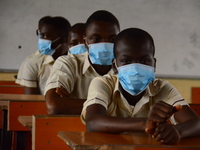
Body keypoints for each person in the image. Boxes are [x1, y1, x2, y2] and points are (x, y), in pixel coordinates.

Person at [81, 28, 200, 144]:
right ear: (115, 65)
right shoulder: (103, 83)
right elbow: (93, 122)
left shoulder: (162, 88)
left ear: (154, 64)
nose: (136, 69)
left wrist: (177, 132)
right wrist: (145, 124)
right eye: (126, 61)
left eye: (144, 61)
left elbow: (196, 123)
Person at [44, 10, 120, 115]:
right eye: (96, 39)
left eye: (112, 39)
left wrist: (70, 104)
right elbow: (54, 106)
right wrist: (117, 107)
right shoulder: (68, 64)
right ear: (86, 42)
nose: (104, 45)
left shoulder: (127, 69)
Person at [16, 16, 71, 95]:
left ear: (62, 39)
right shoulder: (32, 63)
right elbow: (30, 101)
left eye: (45, 36)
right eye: (40, 36)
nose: (41, 40)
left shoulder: (76, 62)